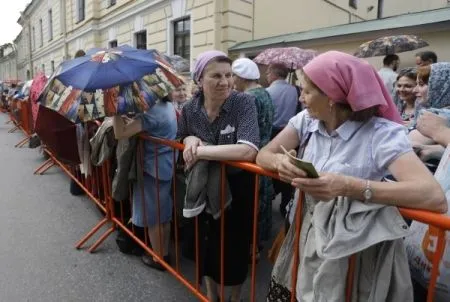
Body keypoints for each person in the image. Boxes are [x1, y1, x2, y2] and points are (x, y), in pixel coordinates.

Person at [256, 51, 447, 301]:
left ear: (333, 96)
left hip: (352, 253)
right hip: (303, 234)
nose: (301, 98)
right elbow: (263, 155)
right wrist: (280, 161)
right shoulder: (307, 121)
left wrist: (349, 187)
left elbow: (433, 197)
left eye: (307, 91)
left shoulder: (381, 134)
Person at [178, 50, 260, 302]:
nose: (225, 82)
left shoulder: (242, 103)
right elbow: (182, 136)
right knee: (206, 243)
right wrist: (190, 138)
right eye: (216, 76)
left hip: (237, 187)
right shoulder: (190, 107)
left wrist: (202, 151)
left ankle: (235, 297)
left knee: (235, 247)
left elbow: (248, 149)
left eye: (228, 75)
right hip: (203, 186)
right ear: (199, 80)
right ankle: (212, 294)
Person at [112, 92, 177, 271]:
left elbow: (120, 133)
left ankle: (158, 258)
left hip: (152, 169)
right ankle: (164, 253)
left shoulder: (152, 112)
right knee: (163, 214)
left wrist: (115, 110)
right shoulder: (166, 106)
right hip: (165, 165)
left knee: (153, 217)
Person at [231, 57, 275, 247]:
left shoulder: (247, 98)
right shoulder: (264, 93)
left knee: (251, 201)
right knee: (262, 199)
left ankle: (250, 244)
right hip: (265, 149)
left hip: (251, 152)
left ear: (241, 78)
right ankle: (257, 242)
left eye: (233, 76)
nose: (231, 81)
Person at [266, 63, 299, 216]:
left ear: (274, 74)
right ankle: (285, 203)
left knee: (272, 168)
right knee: (289, 169)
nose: (266, 76)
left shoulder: (268, 91)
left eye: (268, 72)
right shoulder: (294, 89)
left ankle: (271, 196)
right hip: (291, 132)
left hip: (273, 133)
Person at [410, 62, 450, 162]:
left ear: (440, 87)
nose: (414, 90)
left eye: (421, 84)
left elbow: (406, 145)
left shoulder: (437, 116)